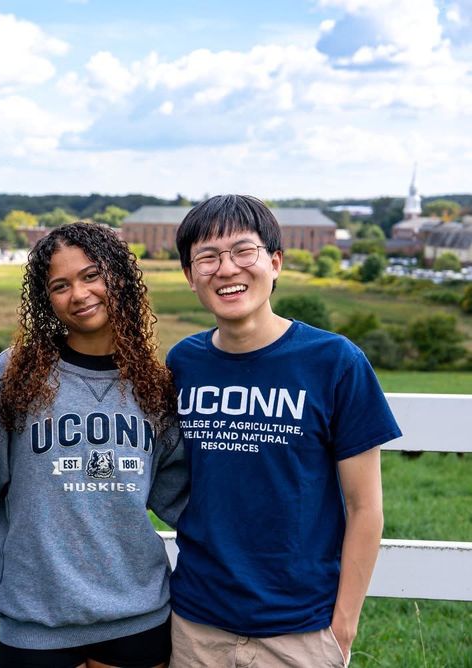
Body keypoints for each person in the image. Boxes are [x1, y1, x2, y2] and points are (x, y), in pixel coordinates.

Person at [167, 195, 401, 667]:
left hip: (301, 631)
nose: (226, 269)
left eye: (243, 252)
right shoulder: (183, 363)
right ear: (191, 277)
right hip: (195, 625)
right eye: (207, 258)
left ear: (275, 262)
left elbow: (365, 507)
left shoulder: (335, 362)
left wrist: (342, 628)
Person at [0, 222, 188, 668]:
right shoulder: (15, 375)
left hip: (137, 615)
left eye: (92, 275)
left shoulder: (155, 385)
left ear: (119, 277)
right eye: (61, 284)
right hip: (37, 620)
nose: (79, 293)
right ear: (45, 298)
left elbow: (186, 500)